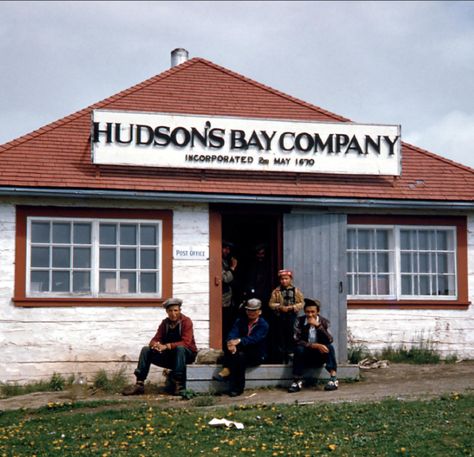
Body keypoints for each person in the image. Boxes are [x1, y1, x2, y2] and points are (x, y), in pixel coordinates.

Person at [122, 298, 197, 396]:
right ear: (166, 311)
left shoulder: (186, 321)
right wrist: (156, 345)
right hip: (171, 357)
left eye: (175, 310)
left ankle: (179, 385)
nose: (173, 313)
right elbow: (153, 340)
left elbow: (186, 342)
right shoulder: (164, 323)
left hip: (187, 356)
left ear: (180, 310)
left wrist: (167, 346)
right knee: (146, 350)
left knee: (180, 348)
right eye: (170, 311)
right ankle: (139, 384)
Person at [217, 298, 269, 397]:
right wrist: (231, 343)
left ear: (260, 311)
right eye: (249, 310)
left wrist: (239, 341)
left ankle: (234, 382)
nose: (251, 312)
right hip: (240, 351)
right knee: (234, 351)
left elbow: (254, 339)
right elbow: (232, 333)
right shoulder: (240, 321)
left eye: (254, 310)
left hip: (256, 354)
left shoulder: (263, 325)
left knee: (239, 357)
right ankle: (233, 385)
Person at [288, 298, 339, 393]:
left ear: (318, 311)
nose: (310, 314)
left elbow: (330, 339)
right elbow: (296, 340)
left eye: (313, 312)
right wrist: (314, 345)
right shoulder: (299, 321)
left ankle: (333, 379)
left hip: (319, 356)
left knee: (329, 347)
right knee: (298, 349)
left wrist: (319, 326)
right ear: (304, 311)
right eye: (307, 312)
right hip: (305, 354)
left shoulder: (324, 322)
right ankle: (297, 380)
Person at [268, 269, 304, 364]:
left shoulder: (296, 291)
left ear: (290, 279)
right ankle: (281, 357)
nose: (284, 281)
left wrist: (292, 307)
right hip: (280, 317)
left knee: (291, 335)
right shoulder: (276, 291)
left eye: (286, 279)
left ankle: (291, 355)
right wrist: (280, 307)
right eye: (282, 279)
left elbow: (302, 302)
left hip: (292, 316)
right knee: (280, 336)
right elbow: (271, 304)